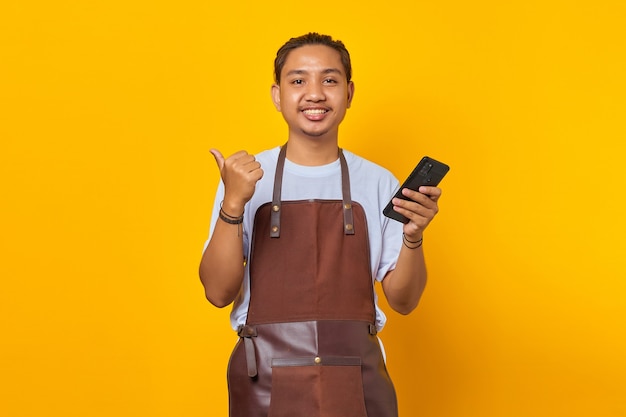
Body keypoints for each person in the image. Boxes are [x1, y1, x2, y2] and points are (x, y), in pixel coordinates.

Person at [199, 32, 442, 417]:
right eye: (298, 81)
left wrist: (413, 238)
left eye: (329, 80)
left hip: (357, 381)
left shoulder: (379, 182)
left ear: (349, 92)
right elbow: (217, 291)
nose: (314, 93)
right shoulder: (244, 179)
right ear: (277, 95)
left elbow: (405, 301)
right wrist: (233, 203)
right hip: (263, 379)